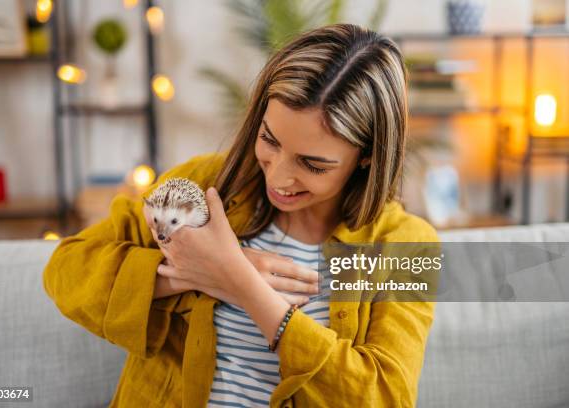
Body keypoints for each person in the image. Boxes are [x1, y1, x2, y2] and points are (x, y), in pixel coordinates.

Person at [43, 23, 438, 407]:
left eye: (313, 164)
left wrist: (242, 284)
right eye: (269, 139)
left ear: (368, 156)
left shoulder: (405, 244)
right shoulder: (204, 184)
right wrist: (187, 273)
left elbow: (384, 397)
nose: (279, 177)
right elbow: (67, 270)